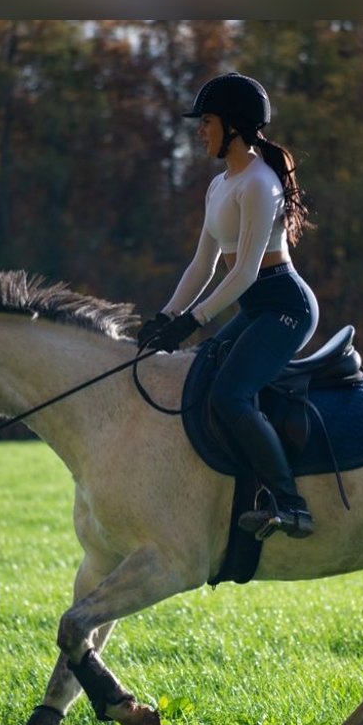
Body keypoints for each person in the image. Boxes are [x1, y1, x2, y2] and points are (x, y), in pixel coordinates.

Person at [140, 72, 319, 540]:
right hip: (256, 307)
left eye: (208, 122)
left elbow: (244, 272)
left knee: (230, 395)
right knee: (203, 373)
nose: (201, 131)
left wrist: (191, 321)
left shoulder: (259, 184)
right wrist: (165, 315)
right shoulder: (220, 184)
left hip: (285, 305)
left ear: (234, 127)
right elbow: (203, 263)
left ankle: (290, 504)